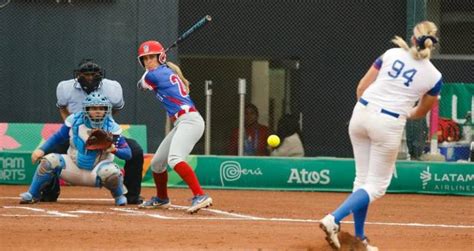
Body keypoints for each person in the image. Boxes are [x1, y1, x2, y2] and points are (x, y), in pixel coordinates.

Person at [319, 21, 442, 250]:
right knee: (376, 186)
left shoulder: (391, 53)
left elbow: (360, 88)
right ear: (432, 43)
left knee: (362, 181)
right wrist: (405, 112)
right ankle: (333, 219)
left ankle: (360, 239)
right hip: (388, 121)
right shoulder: (434, 76)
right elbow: (421, 112)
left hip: (361, 112)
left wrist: (369, 112)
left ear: (413, 38)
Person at [42, 59, 144, 205]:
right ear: (78, 75)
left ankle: (132, 196)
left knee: (135, 151)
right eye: (86, 74)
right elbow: (62, 107)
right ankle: (49, 193)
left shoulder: (112, 87)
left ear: (100, 75)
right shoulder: (65, 87)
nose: (89, 77)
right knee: (51, 149)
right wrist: (72, 126)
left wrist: (102, 128)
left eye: (93, 74)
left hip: (105, 132)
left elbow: (115, 109)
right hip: (77, 133)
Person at [135, 40, 212, 214]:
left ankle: (200, 195)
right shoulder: (165, 71)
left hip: (189, 121)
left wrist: (150, 70)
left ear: (160, 57)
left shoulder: (152, 75)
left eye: (151, 57)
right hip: (183, 122)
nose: (148, 61)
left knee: (175, 159)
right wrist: (157, 62)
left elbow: (141, 86)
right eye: (145, 59)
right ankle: (162, 199)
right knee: (157, 164)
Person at [20, 91, 132, 206]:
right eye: (93, 108)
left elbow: (128, 154)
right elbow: (58, 137)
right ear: (86, 109)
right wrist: (41, 149)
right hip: (73, 167)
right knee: (49, 161)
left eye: (101, 108)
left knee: (112, 172)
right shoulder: (74, 120)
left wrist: (114, 150)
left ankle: (119, 196)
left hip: (97, 171)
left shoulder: (112, 128)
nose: (98, 111)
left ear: (106, 110)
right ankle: (32, 194)